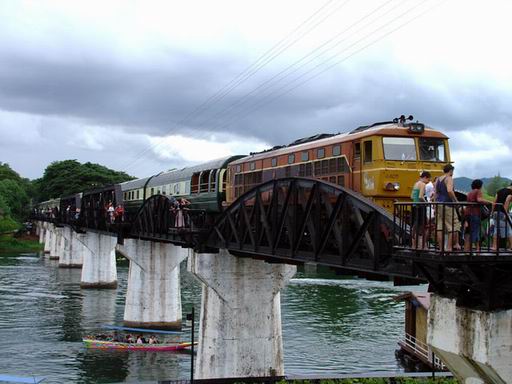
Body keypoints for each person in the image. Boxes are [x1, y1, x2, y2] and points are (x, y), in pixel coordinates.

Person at [434, 164, 461, 251]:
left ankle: (441, 248)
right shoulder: (449, 178)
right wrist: (456, 201)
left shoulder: (438, 179)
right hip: (447, 204)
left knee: (440, 226)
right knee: (454, 225)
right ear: (451, 170)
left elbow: (436, 193)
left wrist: (435, 205)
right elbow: (450, 190)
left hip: (438, 204)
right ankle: (449, 247)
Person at [464, 179, 493, 252]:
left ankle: (466, 249)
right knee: (476, 231)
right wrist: (490, 202)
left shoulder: (470, 193)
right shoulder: (478, 191)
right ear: (480, 185)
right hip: (474, 214)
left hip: (467, 214)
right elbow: (479, 200)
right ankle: (477, 250)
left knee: (468, 232)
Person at [410, 171, 431, 249]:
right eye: (428, 180)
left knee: (415, 226)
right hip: (420, 207)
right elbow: (420, 196)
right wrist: (426, 203)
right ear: (425, 177)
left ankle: (414, 245)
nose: (428, 182)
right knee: (422, 226)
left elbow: (412, 196)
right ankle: (421, 245)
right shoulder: (422, 184)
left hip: (414, 206)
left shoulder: (416, 183)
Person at [491, 183, 512, 250]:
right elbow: (507, 202)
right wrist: (505, 214)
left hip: (495, 212)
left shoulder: (500, 191)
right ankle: (511, 246)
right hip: (503, 213)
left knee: (496, 229)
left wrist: (492, 212)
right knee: (509, 229)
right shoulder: (511, 192)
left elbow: (494, 202)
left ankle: (494, 246)